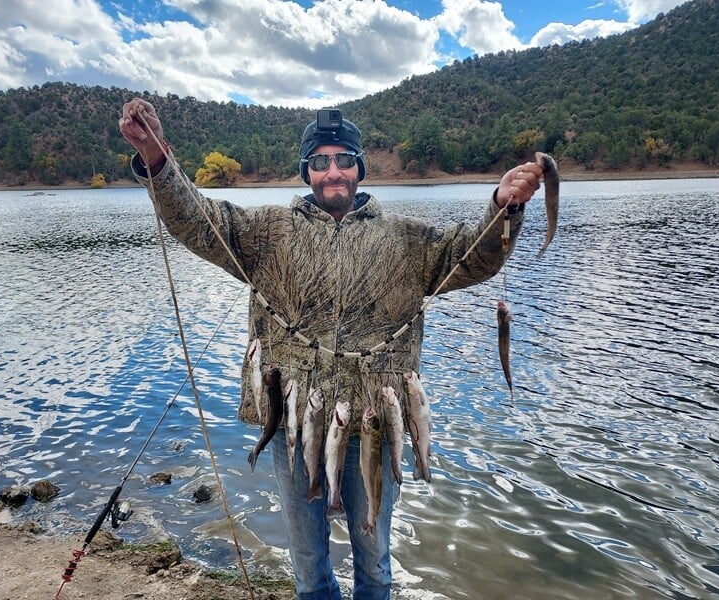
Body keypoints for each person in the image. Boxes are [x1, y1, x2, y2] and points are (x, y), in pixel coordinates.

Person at [119, 98, 542, 600]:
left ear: (360, 167)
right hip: (293, 424)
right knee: (308, 563)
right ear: (307, 172)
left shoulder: (407, 241)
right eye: (320, 162)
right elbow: (197, 221)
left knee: (375, 561)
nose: (333, 171)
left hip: (375, 425)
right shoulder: (266, 235)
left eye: (344, 160)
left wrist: (504, 206)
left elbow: (472, 257)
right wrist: (158, 161)